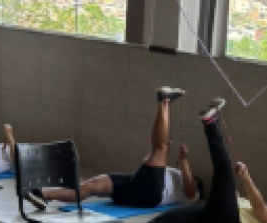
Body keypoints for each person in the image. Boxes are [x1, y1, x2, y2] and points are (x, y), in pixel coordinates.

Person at [102, 98, 267, 223]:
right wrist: (230, 196)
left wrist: (246, 177)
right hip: (206, 222)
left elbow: (258, 205)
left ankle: (210, 124)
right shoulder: (244, 204)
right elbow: (227, 200)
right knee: (162, 222)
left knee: (224, 171)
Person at [37, 88, 202, 211]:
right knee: (90, 186)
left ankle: (165, 100)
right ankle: (44, 194)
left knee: (159, 147)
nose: (190, 177)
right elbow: (152, 172)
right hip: (134, 185)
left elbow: (190, 189)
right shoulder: (175, 177)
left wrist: (183, 160)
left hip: (152, 193)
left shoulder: (193, 195)